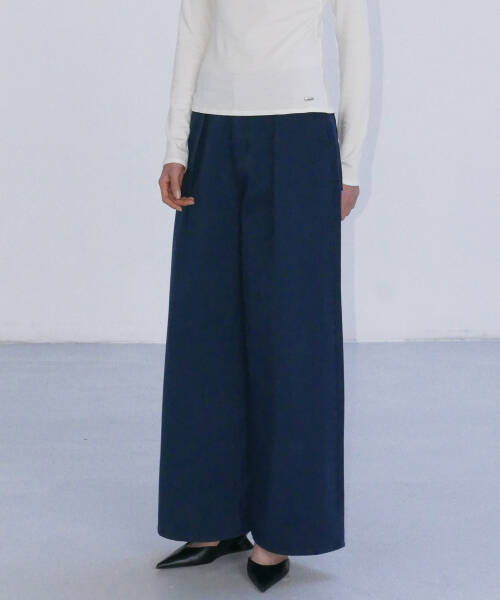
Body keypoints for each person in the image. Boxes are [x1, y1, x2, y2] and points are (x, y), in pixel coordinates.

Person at [156, 0, 370, 592]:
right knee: (204, 331)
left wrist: (349, 163)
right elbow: (193, 31)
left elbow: (355, 48)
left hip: (298, 134)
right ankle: (209, 518)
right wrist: (176, 145)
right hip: (212, 132)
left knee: (294, 337)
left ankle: (280, 531)